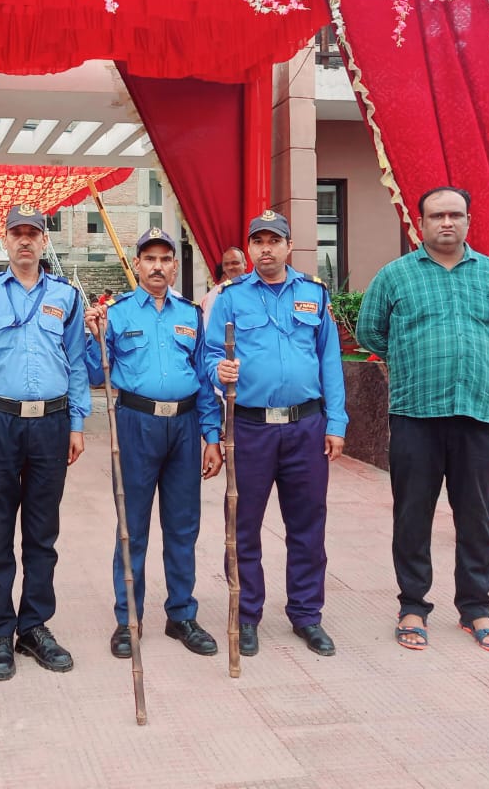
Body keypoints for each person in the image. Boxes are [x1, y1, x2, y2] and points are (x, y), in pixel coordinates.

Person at [356, 186, 489, 654]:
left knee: (475, 518)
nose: (446, 223)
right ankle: (412, 605)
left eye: (455, 214)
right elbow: (371, 330)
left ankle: (476, 608)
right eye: (436, 216)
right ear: (420, 223)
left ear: (468, 220)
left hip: (476, 415)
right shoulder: (395, 276)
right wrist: (414, 358)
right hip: (415, 416)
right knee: (412, 517)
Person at [0, 203, 91, 680]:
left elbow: (76, 363)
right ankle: (0, 631)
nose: (26, 240)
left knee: (41, 531)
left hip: (51, 424)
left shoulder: (66, 296)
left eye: (34, 232)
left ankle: (34, 625)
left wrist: (77, 423)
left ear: (43, 239)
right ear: (5, 238)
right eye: (17, 232)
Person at [204, 210, 346, 659]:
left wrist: (336, 423)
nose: (265, 248)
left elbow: (329, 361)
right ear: (248, 249)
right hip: (250, 427)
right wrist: (217, 368)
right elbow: (207, 354)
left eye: (274, 240)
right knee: (243, 526)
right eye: (257, 241)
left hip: (306, 426)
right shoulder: (229, 297)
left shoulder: (313, 294)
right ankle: (246, 615)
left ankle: (307, 614)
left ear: (289, 246)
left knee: (307, 526)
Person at [86, 228, 224, 658]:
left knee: (183, 526)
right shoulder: (118, 313)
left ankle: (181, 614)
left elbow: (203, 379)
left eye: (166, 259)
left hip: (183, 427)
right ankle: (129, 618)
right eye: (150, 259)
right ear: (137, 264)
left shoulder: (189, 314)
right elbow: (95, 375)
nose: (159, 266)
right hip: (136, 424)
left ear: (174, 266)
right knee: (133, 527)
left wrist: (212, 436)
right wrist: (95, 337)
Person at [200, 247, 247, 320]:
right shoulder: (216, 295)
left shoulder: (256, 288)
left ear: (245, 264)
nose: (230, 267)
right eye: (226, 264)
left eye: (235, 263)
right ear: (223, 268)